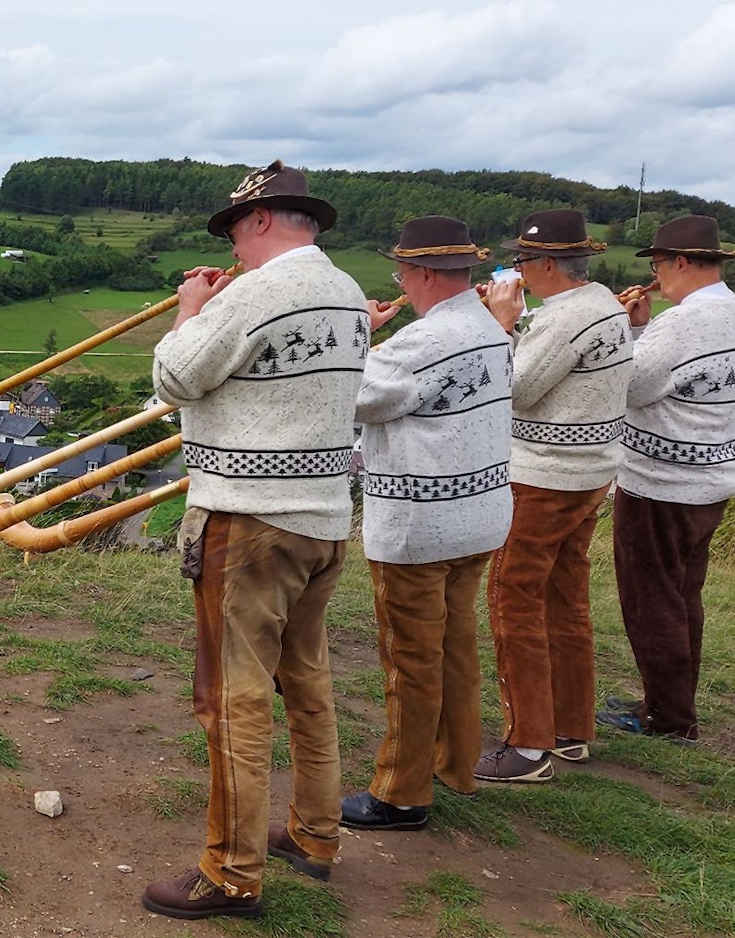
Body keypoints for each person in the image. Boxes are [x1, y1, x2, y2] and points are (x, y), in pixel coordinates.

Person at [142, 160, 368, 920]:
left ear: (265, 220)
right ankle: (314, 834)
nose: (233, 245)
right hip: (325, 520)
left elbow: (175, 376)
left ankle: (232, 873)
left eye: (237, 229)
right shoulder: (344, 289)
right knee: (306, 683)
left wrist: (191, 308)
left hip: (251, 522)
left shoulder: (262, 292)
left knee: (231, 699)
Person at [341, 217, 514, 831]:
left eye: (402, 274)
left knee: (410, 658)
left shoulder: (422, 342)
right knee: (454, 645)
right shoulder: (490, 329)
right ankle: (455, 763)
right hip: (480, 513)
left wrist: (358, 331)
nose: (402, 285)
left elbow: (349, 392)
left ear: (418, 275)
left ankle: (401, 792)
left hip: (422, 524)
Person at [475, 209, 633, 783]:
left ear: (545, 264)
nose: (515, 271)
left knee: (512, 596)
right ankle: (570, 729)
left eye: (520, 261)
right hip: (590, 472)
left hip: (543, 475)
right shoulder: (605, 306)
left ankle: (529, 745)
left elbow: (516, 389)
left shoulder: (562, 318)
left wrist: (501, 325)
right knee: (565, 599)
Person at [598, 215, 735, 743]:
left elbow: (630, 387)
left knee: (650, 600)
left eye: (657, 264)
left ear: (680, 262)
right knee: (683, 597)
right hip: (712, 478)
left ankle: (668, 719)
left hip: (661, 482)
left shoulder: (681, 324)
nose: (656, 275)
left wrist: (625, 328)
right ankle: (669, 701)